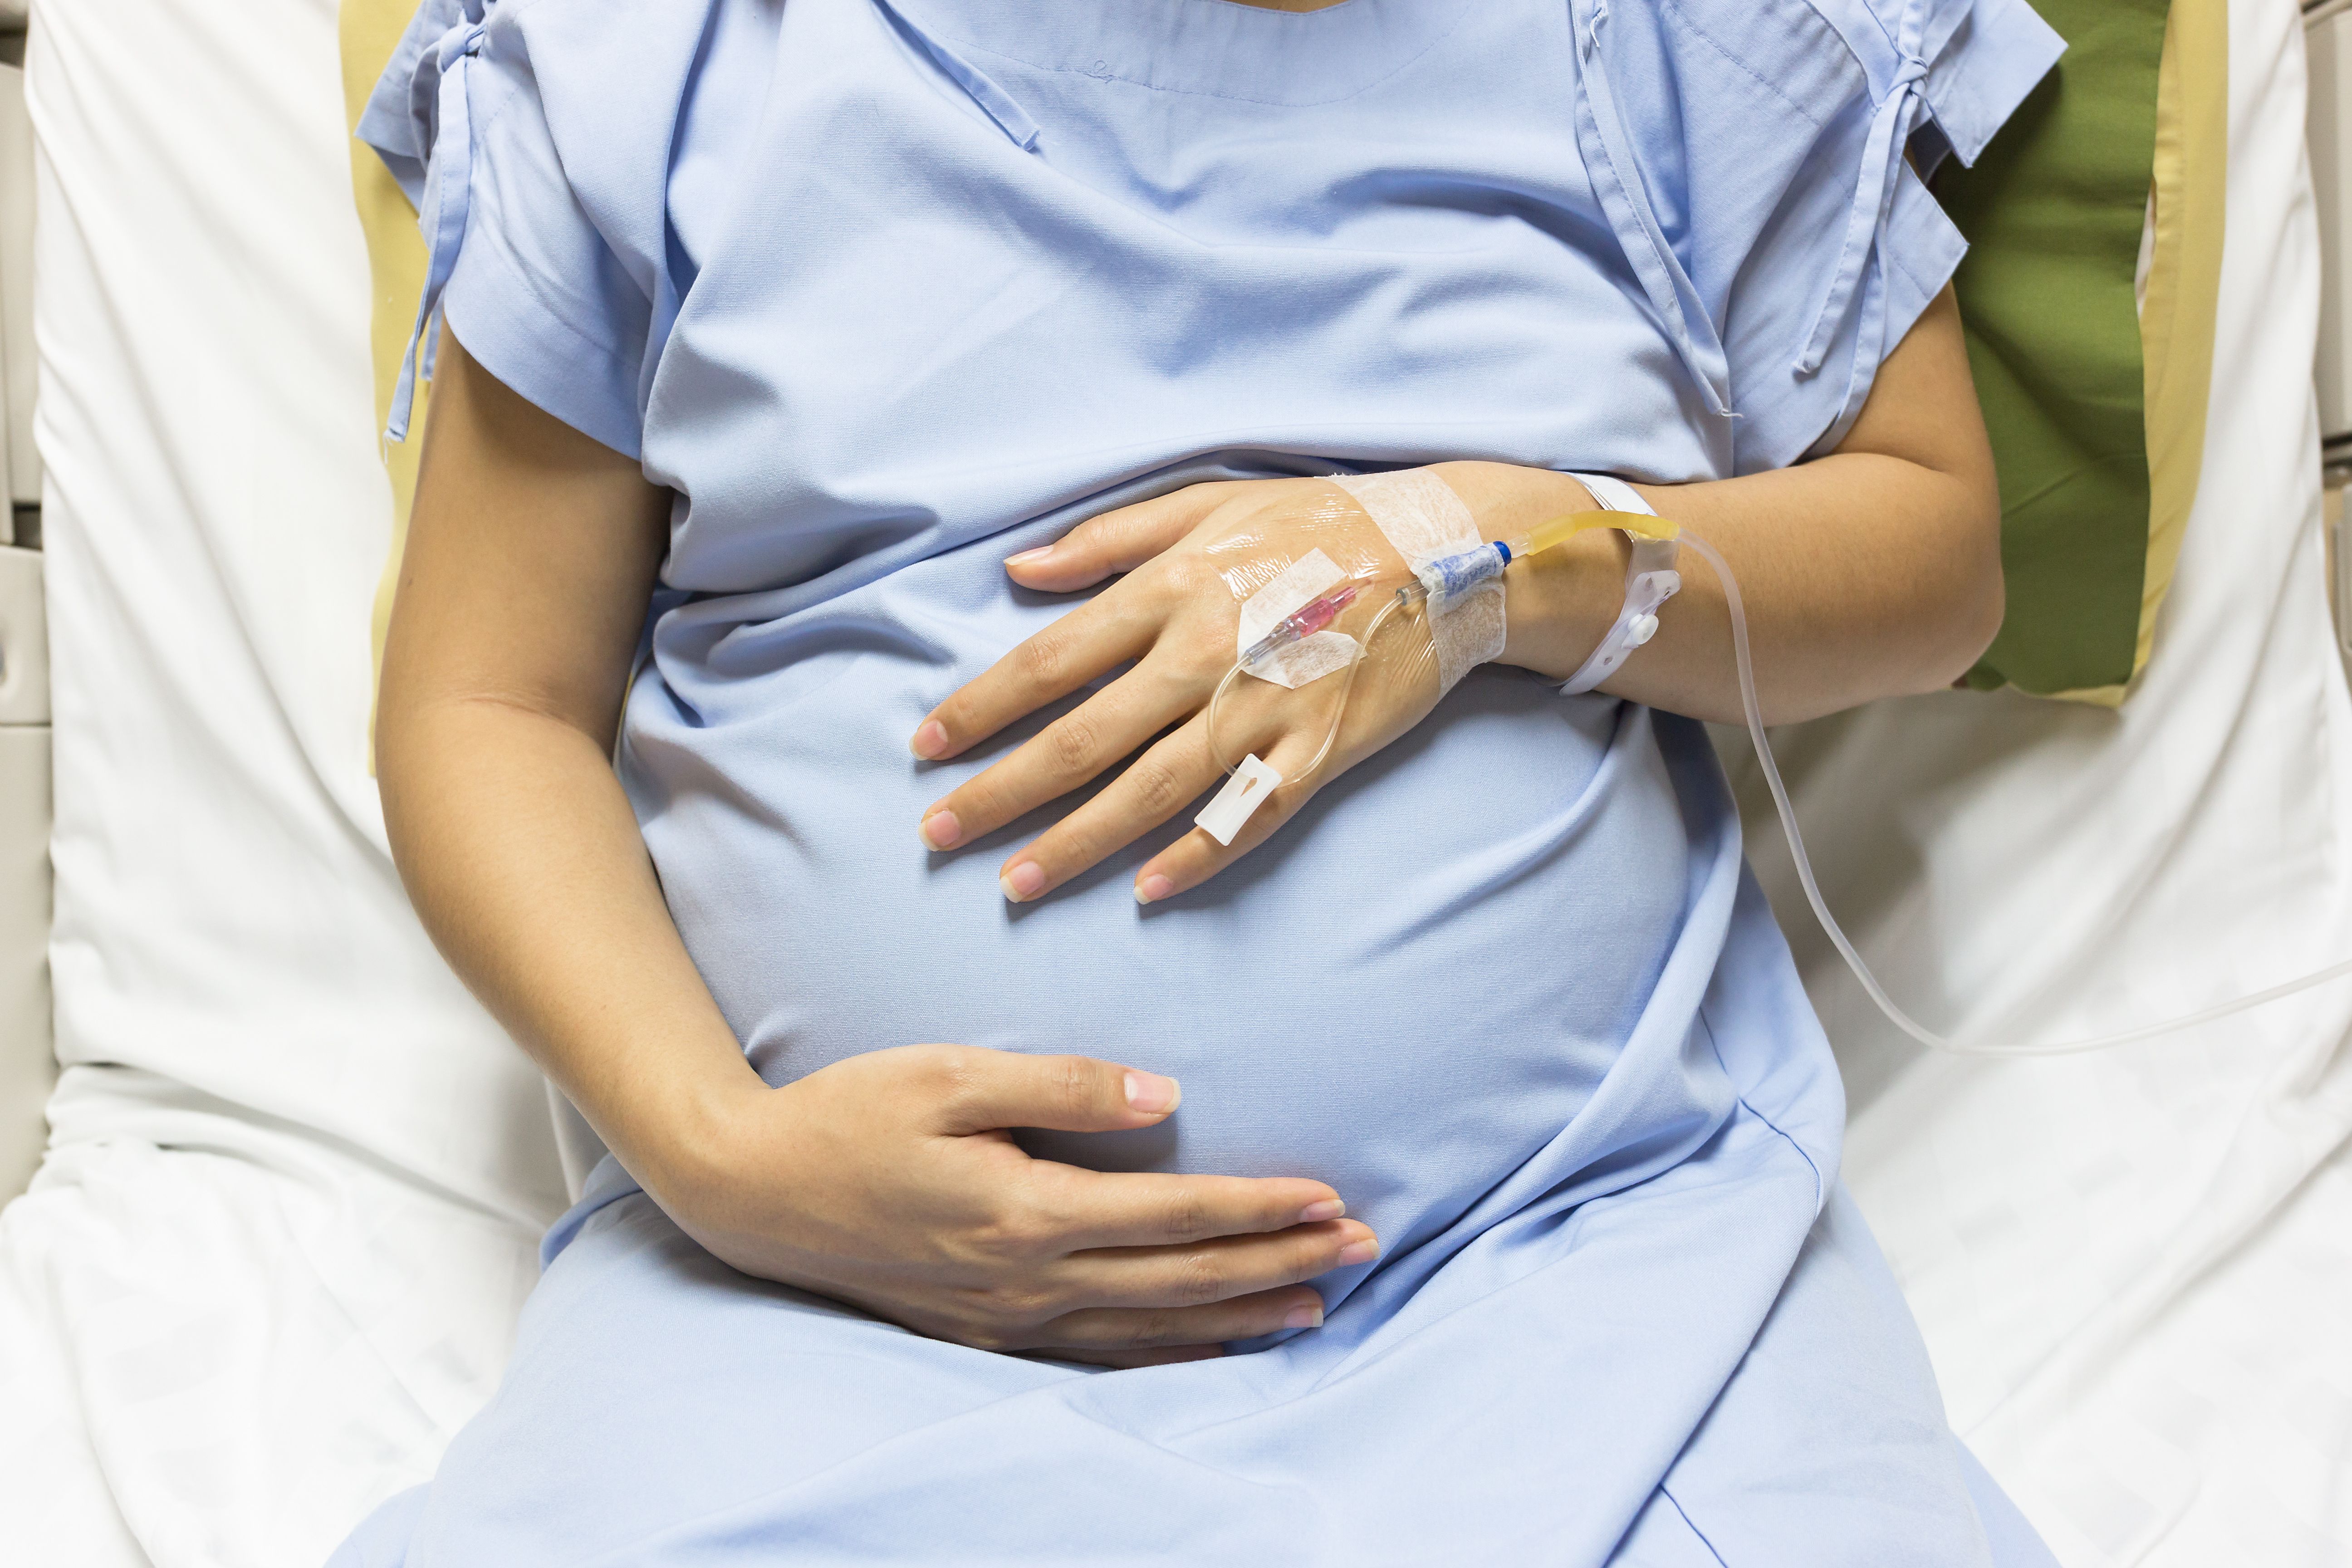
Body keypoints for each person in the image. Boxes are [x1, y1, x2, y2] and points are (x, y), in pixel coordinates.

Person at [339, 0, 2067, 1559]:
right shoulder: (673, 52)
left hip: (1582, 1270)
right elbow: (488, 702)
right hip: (818, 1309)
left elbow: (1933, 550)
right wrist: (725, 1159)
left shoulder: (1671, 39)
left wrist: (1479, 557)